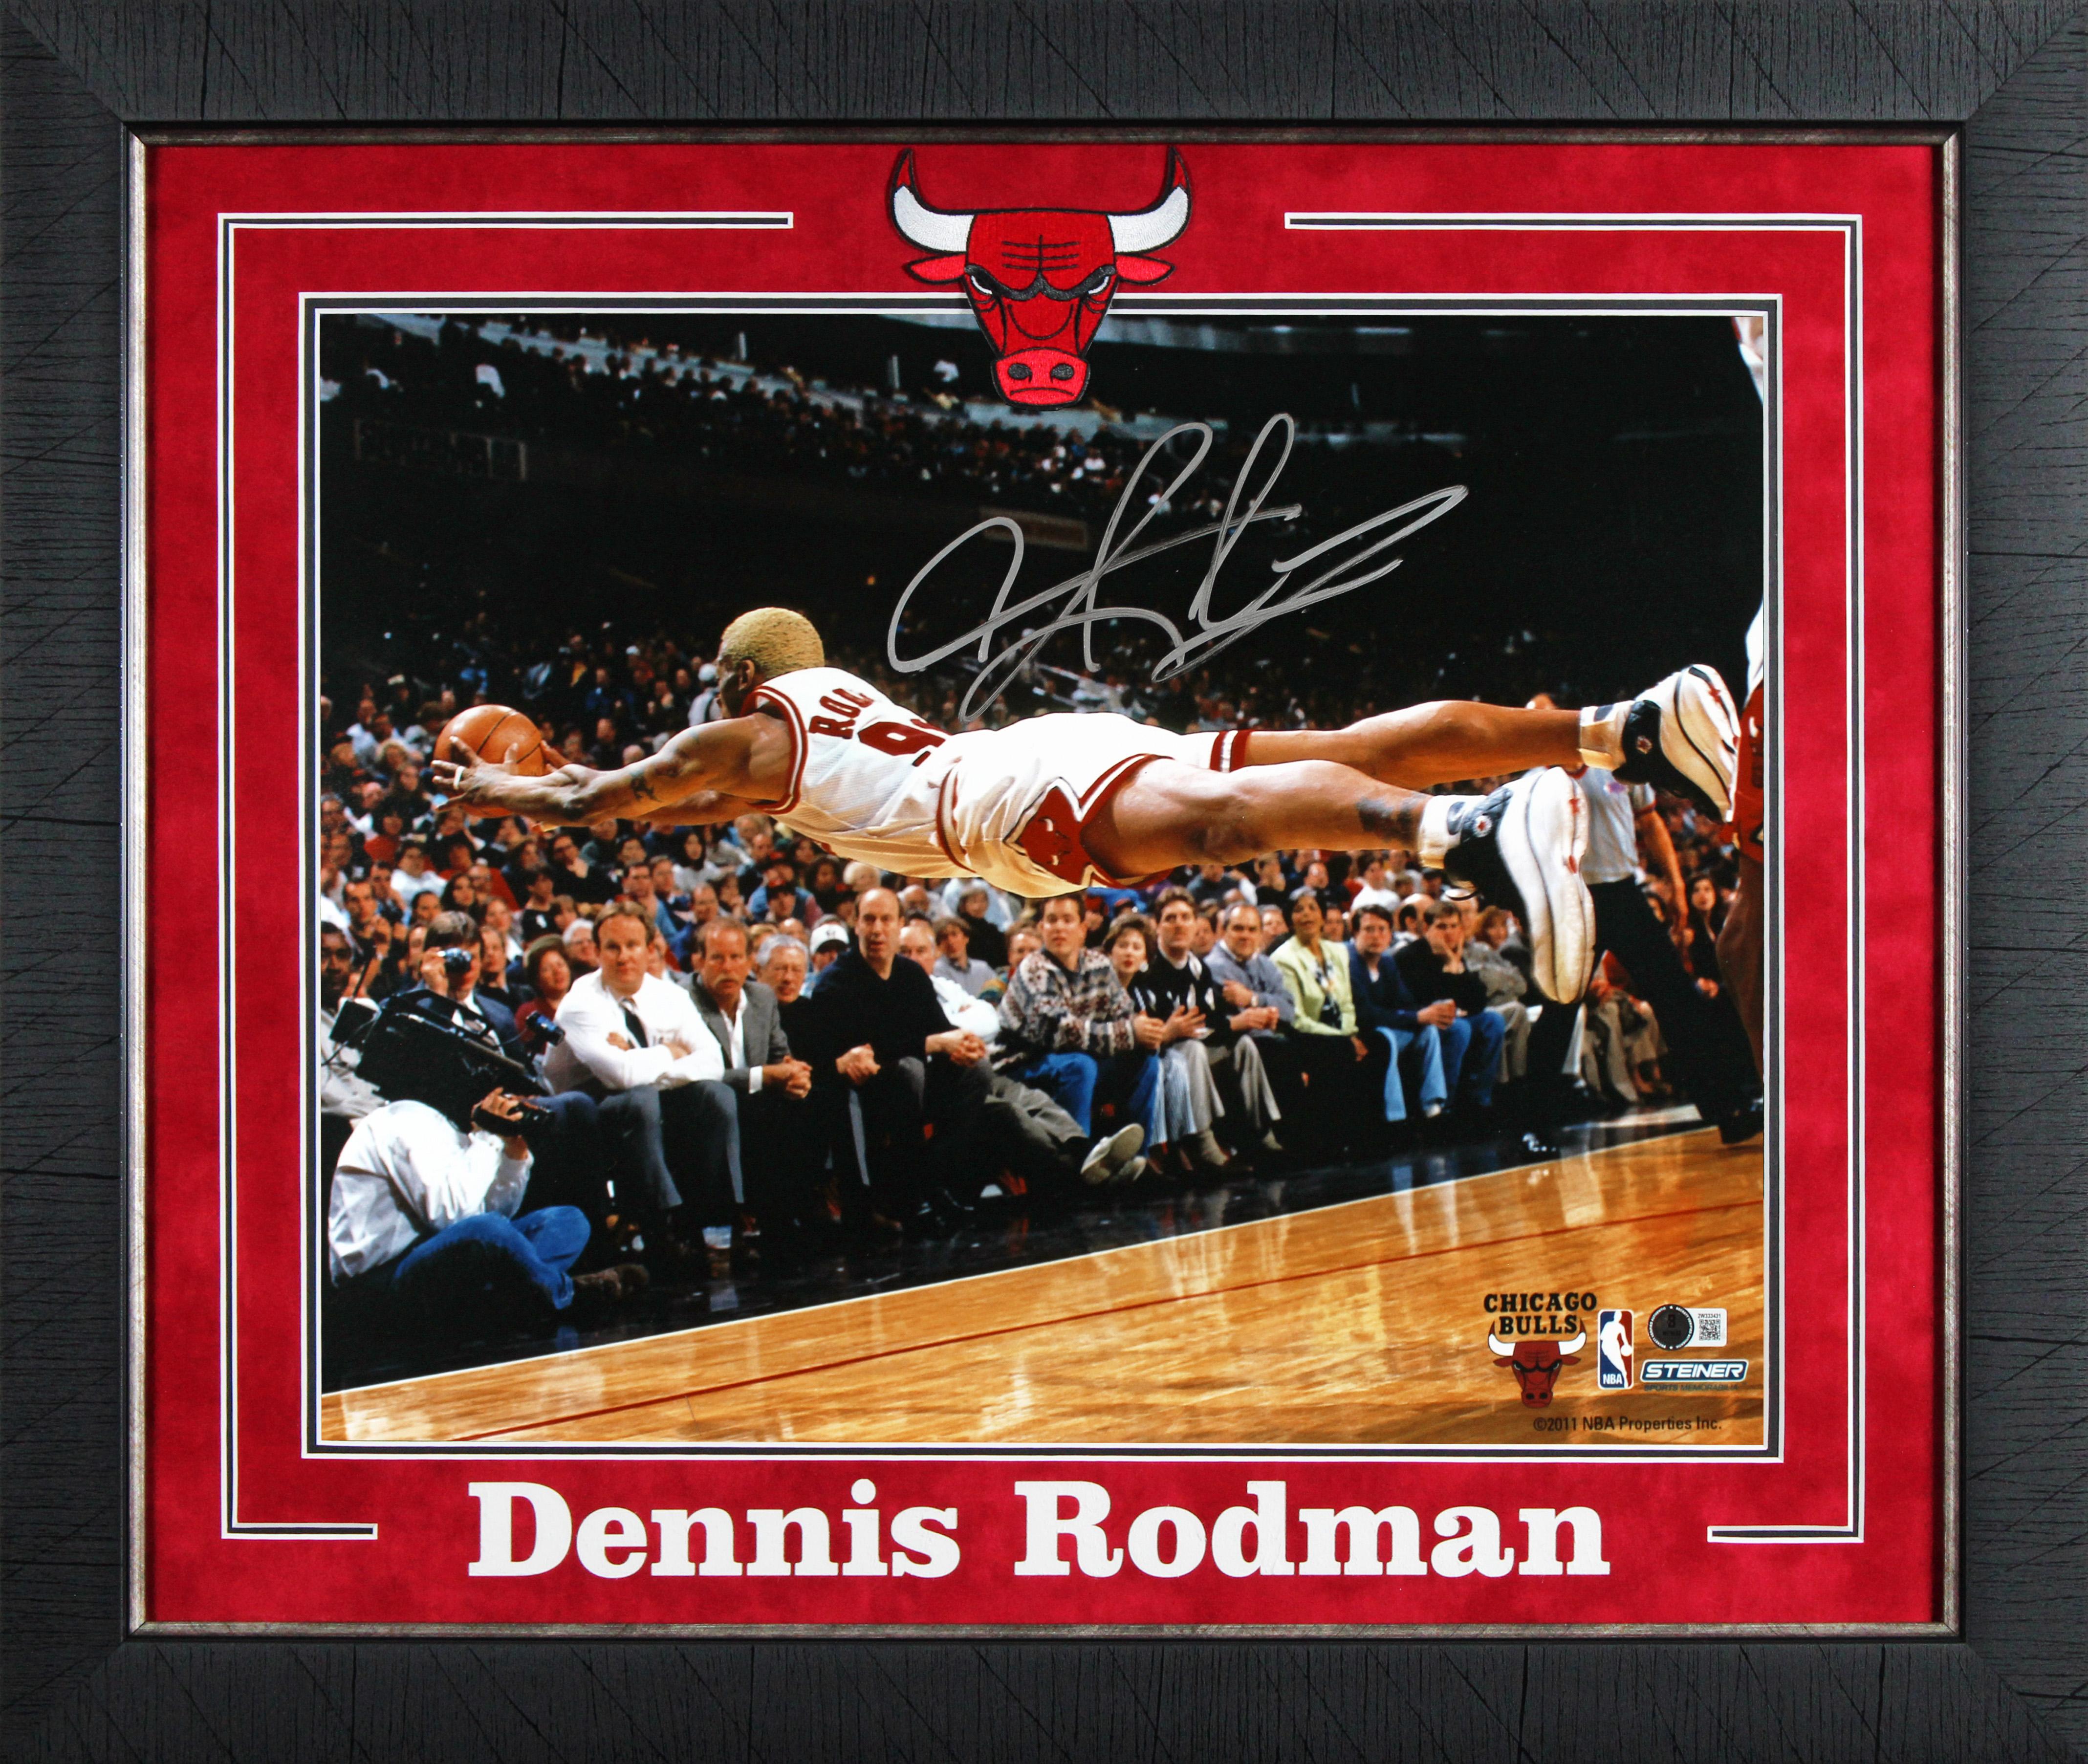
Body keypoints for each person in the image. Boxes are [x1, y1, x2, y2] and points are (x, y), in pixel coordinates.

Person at [435, 607, 1741, 1008]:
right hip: (1031, 754)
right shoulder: (808, 725)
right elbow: (649, 815)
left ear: (734, 678)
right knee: (1340, 748)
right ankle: (1622, 727)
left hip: (997, 799)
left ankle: (1470, 830)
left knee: (1232, 825)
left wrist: (504, 783)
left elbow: (611, 797)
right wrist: (555, 790)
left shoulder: (740, 729)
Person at [327, 1089, 645, 1328]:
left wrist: (513, 1154)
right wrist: (489, 1135)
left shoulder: (444, 1127)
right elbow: (455, 1216)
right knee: (489, 1230)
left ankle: (512, 1302)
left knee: (568, 1221)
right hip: (380, 1280)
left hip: (434, 1259)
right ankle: (567, 1295)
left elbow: (495, 1211)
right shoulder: (401, 1121)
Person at [542, 904, 743, 1268]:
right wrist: (670, 1052)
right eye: (613, 947)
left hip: (652, 1101)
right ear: (598, 952)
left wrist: (643, 1061)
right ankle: (660, 1229)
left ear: (651, 949)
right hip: (590, 1114)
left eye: (632, 945)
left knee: (716, 1096)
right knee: (641, 1099)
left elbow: (713, 1062)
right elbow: (620, 1077)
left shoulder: (670, 995)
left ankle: (703, 1220)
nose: (623, 957)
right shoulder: (579, 1003)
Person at [900, 917, 1144, 1192]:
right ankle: (1079, 1175)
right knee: (1011, 1114)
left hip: (977, 1069)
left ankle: (1086, 1151)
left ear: (934, 955)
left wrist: (951, 1029)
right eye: (905, 952)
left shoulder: (942, 987)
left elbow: (989, 1021)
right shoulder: (897, 992)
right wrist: (954, 1028)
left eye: (921, 951)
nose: (913, 959)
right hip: (940, 1082)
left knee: (1034, 1100)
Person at [800, 888, 995, 1232]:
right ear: (856, 925)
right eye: (869, 919)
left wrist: (963, 1044)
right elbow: (859, 1051)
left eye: (886, 919)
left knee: (978, 1070)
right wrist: (932, 1043)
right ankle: (915, 1194)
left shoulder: (911, 974)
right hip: (866, 1090)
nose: (877, 929)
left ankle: (938, 1180)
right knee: (910, 1070)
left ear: (900, 924)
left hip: (915, 1086)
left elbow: (939, 1028)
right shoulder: (836, 981)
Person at [685, 917, 822, 1248]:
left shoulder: (761, 997)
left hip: (758, 1100)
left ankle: (796, 1218)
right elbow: (696, 1072)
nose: (728, 967)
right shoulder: (682, 1001)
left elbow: (781, 1056)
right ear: (699, 961)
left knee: (808, 1101)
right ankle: (744, 1220)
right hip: (699, 1103)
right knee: (749, 1110)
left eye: (736, 958)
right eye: (717, 958)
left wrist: (795, 1076)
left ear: (750, 962)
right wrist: (766, 1076)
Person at [996, 893, 1160, 1150]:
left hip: (1075, 1058)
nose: (1059, 927)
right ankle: (1078, 1158)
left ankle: (1136, 1155)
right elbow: (1058, 1032)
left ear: (1083, 929)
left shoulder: (1099, 965)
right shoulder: (1034, 968)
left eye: (1068, 920)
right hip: (1022, 1064)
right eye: (1052, 920)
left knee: (1146, 1061)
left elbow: (1125, 1014)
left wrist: (1147, 1035)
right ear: (1042, 927)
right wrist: (1131, 1032)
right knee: (1081, 1066)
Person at [1142, 887, 1283, 1162]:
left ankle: (1260, 1132)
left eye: (1186, 918)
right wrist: (1171, 1032)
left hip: (1192, 1047)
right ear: (1157, 926)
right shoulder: (1148, 969)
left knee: (1244, 1046)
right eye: (1170, 918)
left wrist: (1235, 1025)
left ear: (1195, 924)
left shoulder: (1198, 968)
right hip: (1162, 1056)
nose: (1179, 924)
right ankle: (1202, 1141)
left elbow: (1210, 1021)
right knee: (1194, 1049)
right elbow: (1163, 1028)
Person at [1271, 888, 1382, 1152]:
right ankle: (1337, 1140)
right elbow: (1298, 1018)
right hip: (1304, 1034)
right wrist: (1345, 1039)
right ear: (1290, 919)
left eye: (1313, 908)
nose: (1307, 915)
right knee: (1341, 1050)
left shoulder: (1338, 951)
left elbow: (1346, 1002)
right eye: (1299, 909)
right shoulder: (1283, 959)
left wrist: (1350, 1032)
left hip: (1340, 1030)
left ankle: (1375, 1132)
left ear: (1323, 916)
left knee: (1379, 1043)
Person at [1393, 898, 1507, 1117]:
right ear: (1427, 928)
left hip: (1453, 1018)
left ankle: (1481, 1098)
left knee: (1493, 1021)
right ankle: (1446, 1104)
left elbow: (1478, 1002)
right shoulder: (1409, 956)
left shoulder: (1456, 954)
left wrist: (1457, 967)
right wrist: (1448, 966)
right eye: (1442, 927)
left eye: (1454, 926)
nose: (1450, 933)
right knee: (1459, 1029)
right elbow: (1423, 998)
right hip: (1423, 1021)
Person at [1348, 901, 1452, 1133]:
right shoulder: (1350, 963)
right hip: (1363, 1033)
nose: (1377, 936)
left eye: (1382, 930)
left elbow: (1405, 1002)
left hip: (1387, 1025)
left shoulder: (1387, 962)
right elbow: (1366, 1015)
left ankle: (1433, 1107)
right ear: (1355, 933)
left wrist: (1428, 1013)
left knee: (1429, 1030)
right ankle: (1396, 1118)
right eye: (1369, 930)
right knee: (1387, 1037)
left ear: (1390, 935)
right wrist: (1416, 1017)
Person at [933, 916, 999, 999]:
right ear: (939, 945)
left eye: (954, 935)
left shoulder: (983, 969)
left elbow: (999, 992)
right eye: (944, 937)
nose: (951, 942)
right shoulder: (937, 970)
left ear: (966, 938)